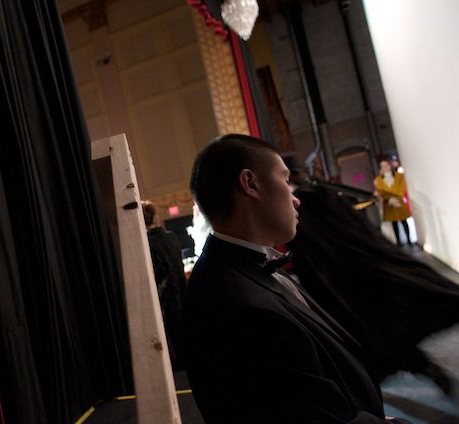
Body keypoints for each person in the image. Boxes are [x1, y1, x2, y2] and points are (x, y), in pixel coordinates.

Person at [183, 134, 410, 423]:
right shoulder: (241, 306)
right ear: (250, 184)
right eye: (285, 179)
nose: (295, 198)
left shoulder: (243, 266)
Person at [286, 177, 459, 398]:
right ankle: (418, 368)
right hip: (355, 283)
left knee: (373, 338)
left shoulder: (313, 204)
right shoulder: (319, 201)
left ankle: (411, 371)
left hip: (350, 287)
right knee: (377, 336)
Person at [141, 200, 186, 370]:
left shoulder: (146, 244)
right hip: (180, 293)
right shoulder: (171, 237)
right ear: (155, 217)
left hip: (163, 299)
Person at [374, 160, 412, 246]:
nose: (385, 167)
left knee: (404, 221)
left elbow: (402, 188)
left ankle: (409, 240)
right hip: (388, 203)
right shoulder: (378, 180)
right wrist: (389, 198)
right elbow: (380, 191)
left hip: (399, 201)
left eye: (386, 165)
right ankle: (398, 241)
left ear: (389, 166)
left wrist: (396, 197)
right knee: (394, 223)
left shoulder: (399, 176)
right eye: (382, 166)